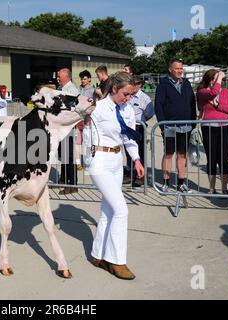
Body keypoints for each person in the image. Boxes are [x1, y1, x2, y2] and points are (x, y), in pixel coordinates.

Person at [88, 71, 144, 280]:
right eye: (125, 94)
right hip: (100, 160)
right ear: (114, 89)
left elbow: (128, 137)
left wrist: (136, 159)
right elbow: (86, 135)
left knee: (108, 211)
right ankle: (116, 260)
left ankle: (98, 254)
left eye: (131, 94)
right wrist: (86, 160)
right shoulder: (99, 108)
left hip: (116, 161)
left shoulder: (127, 109)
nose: (128, 98)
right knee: (122, 210)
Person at [155, 58, 197, 192]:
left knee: (182, 154)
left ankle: (181, 183)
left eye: (181, 68)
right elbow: (158, 106)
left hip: (186, 126)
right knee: (168, 154)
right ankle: (166, 182)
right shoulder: (163, 85)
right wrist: (162, 126)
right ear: (170, 69)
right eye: (177, 68)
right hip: (169, 126)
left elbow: (192, 102)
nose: (179, 71)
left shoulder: (186, 83)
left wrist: (193, 121)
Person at [197, 70, 228, 195]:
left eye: (216, 78)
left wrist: (219, 106)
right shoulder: (203, 92)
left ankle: (224, 188)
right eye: (213, 78)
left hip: (225, 127)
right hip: (209, 127)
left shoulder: (225, 92)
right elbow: (213, 94)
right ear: (208, 80)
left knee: (223, 158)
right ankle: (212, 188)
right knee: (211, 158)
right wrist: (219, 78)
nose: (215, 81)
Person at [123, 75, 154, 186]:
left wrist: (142, 119)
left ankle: (140, 175)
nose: (133, 86)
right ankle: (130, 174)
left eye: (135, 84)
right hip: (128, 127)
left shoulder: (145, 98)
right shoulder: (128, 96)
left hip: (139, 126)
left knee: (140, 151)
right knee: (128, 151)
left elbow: (150, 113)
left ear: (140, 85)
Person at [57, 68, 80, 195]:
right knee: (63, 155)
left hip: (68, 127)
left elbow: (70, 110)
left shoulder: (72, 90)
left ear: (67, 76)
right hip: (62, 127)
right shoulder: (62, 89)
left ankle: (72, 184)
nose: (58, 78)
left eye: (59, 76)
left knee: (69, 156)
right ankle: (64, 179)